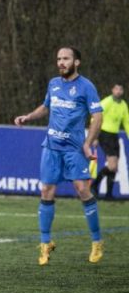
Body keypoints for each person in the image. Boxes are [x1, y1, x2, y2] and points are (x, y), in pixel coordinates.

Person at [14, 46, 104, 266]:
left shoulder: (86, 86)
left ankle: (97, 241)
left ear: (77, 62)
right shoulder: (53, 84)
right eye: (59, 59)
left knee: (82, 189)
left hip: (74, 149)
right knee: (46, 190)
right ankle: (45, 244)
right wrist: (28, 116)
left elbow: (98, 116)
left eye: (66, 59)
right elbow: (46, 108)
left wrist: (87, 143)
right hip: (52, 147)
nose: (61, 62)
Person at [92, 83, 128, 200]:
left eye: (120, 89)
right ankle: (94, 185)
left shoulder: (123, 105)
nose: (118, 91)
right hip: (104, 134)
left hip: (114, 136)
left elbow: (127, 123)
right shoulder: (107, 102)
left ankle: (108, 194)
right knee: (112, 166)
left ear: (122, 91)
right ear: (112, 90)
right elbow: (95, 117)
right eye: (116, 89)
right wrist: (95, 136)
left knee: (115, 167)